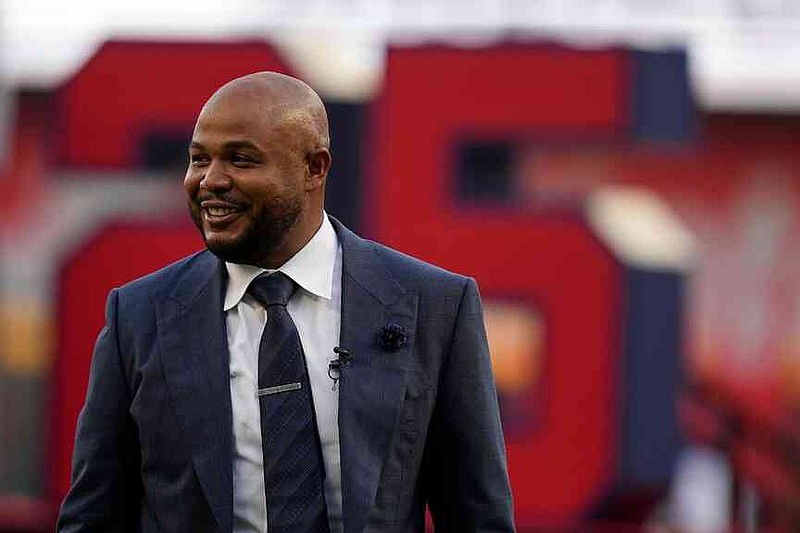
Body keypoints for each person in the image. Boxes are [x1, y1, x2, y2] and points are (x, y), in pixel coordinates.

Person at [57, 72, 514, 532]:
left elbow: (479, 516)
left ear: (314, 168)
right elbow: (93, 515)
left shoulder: (436, 306)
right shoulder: (137, 315)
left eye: (240, 159)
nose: (210, 180)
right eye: (199, 159)